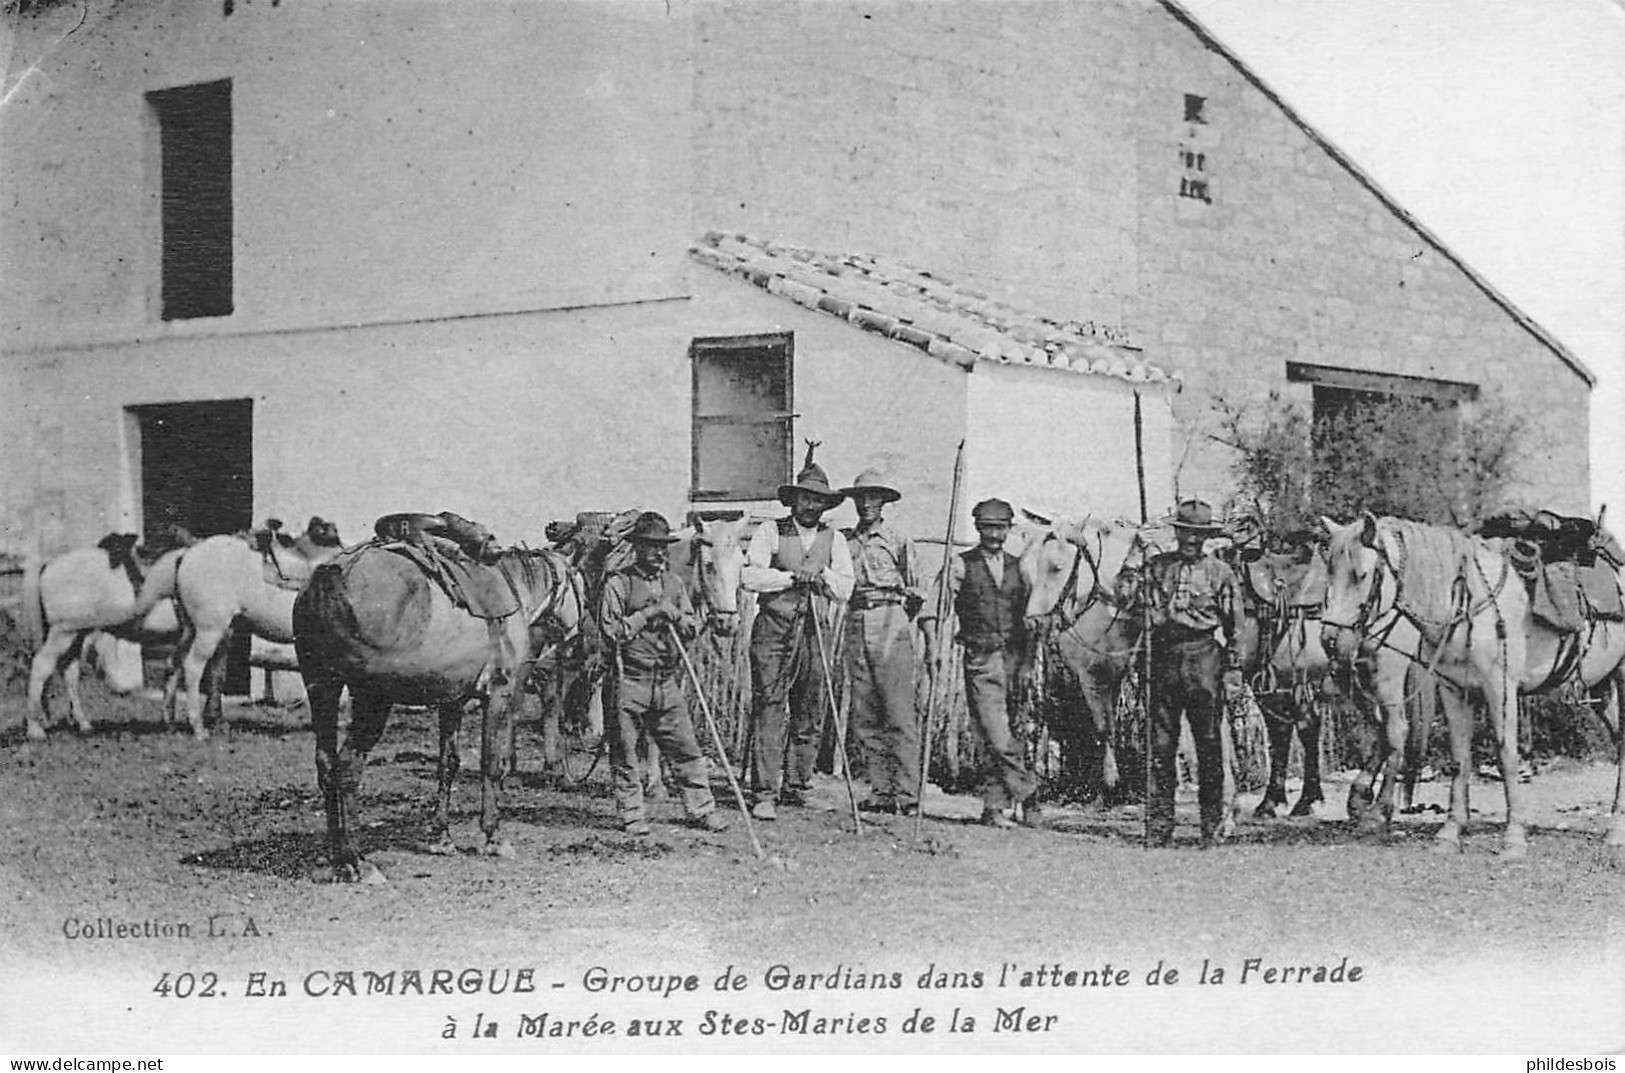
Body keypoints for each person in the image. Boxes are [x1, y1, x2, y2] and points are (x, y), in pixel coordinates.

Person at [597, 511, 729, 837]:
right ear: (637, 548)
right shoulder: (618, 583)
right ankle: (632, 815)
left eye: (662, 547)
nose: (658, 553)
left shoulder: (674, 583)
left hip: (665, 681)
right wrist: (650, 612)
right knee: (626, 753)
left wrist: (686, 622)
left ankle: (701, 809)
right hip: (629, 680)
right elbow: (610, 632)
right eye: (651, 547)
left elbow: (690, 626)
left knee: (685, 748)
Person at [741, 448, 855, 820]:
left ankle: (798, 785)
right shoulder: (771, 531)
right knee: (770, 704)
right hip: (773, 631)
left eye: (818, 501)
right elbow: (750, 576)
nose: (811, 506)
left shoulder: (833, 540)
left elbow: (846, 588)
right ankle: (764, 792)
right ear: (793, 500)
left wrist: (821, 576)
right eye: (806, 498)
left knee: (810, 707)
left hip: (814, 631)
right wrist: (790, 578)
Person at [918, 497, 1041, 829]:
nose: (995, 535)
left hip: (1017, 660)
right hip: (981, 660)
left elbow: (1038, 610)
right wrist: (933, 648)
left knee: (1006, 735)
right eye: (988, 528)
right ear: (977, 528)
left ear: (1009, 529)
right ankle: (1029, 793)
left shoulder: (1022, 566)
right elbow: (932, 611)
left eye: (1001, 528)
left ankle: (993, 807)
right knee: (996, 733)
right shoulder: (960, 565)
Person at [1140, 498, 1247, 848]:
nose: (1190, 541)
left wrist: (1233, 670)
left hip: (1204, 659)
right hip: (1165, 658)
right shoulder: (1156, 568)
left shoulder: (1221, 573)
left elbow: (1236, 627)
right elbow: (1139, 607)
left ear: (1206, 537)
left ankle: (1212, 827)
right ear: (1177, 533)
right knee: (1160, 746)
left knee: (1209, 746)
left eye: (1197, 535)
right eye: (1185, 533)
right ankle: (1158, 828)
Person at [840, 469, 929, 816]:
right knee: (865, 713)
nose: (866, 504)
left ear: (883, 503)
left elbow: (918, 589)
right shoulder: (845, 541)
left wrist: (898, 613)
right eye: (861, 498)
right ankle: (881, 791)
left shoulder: (897, 539)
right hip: (856, 619)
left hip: (890, 619)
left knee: (898, 711)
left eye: (873, 498)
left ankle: (907, 795)